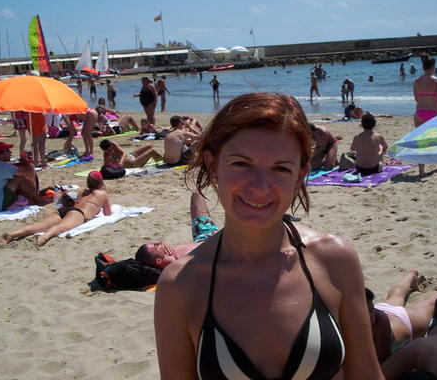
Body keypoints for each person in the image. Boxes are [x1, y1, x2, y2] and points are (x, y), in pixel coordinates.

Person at [154, 93, 384, 379]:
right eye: (242, 164)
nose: (260, 187)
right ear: (213, 166)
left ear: (299, 175)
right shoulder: (180, 284)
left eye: (281, 168)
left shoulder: (333, 259)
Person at [0, 170, 112, 246]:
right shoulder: (102, 194)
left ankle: (12, 235)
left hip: (65, 210)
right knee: (61, 227)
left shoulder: (82, 191)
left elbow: (70, 198)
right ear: (100, 182)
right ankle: (44, 238)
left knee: (38, 226)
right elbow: (108, 213)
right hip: (78, 213)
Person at [366, 271, 437, 363]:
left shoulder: (380, 327)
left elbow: (380, 363)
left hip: (402, 321)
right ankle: (411, 275)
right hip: (381, 310)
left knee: (428, 305)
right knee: (396, 296)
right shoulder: (368, 317)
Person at [135, 192, 219, 269]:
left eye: (154, 243)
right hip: (219, 245)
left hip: (203, 237)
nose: (158, 243)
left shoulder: (166, 251)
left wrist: (161, 245)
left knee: (197, 193)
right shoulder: (180, 266)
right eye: (155, 246)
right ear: (158, 261)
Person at [0, 142, 50, 212]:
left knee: (13, 179)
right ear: (1, 155)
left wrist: (20, 163)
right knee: (20, 179)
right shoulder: (2, 166)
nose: (10, 152)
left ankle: (32, 198)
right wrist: (27, 162)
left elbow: (11, 168)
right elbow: (27, 172)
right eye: (7, 151)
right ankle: (39, 200)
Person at [413, 54, 437, 176]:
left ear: (423, 67)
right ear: (434, 66)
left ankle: (421, 171)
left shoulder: (417, 81)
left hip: (420, 112)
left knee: (421, 142)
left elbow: (416, 98)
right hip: (433, 113)